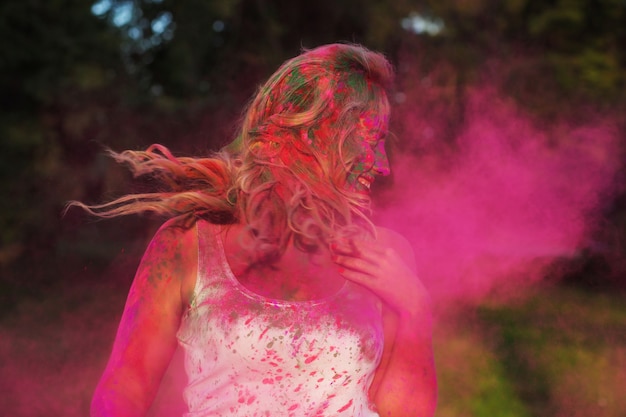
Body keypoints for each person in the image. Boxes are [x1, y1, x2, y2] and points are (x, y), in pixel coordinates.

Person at [74, 43, 436, 417]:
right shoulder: (187, 245)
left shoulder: (385, 254)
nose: (383, 166)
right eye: (372, 141)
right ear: (313, 134)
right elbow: (127, 385)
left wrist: (416, 310)